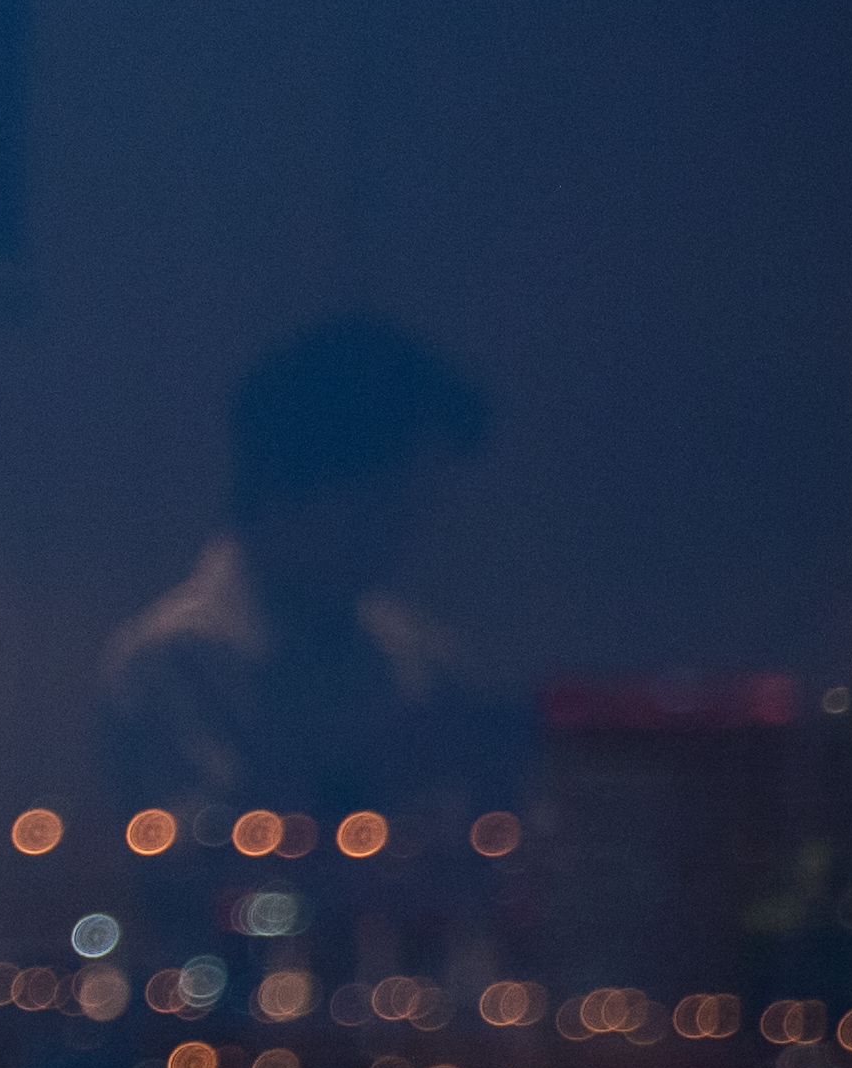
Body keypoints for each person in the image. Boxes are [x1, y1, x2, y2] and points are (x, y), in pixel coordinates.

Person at [94, 310, 532, 821]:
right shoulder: (175, 662)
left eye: (420, 505)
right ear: (288, 488)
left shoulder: (420, 659)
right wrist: (367, 781)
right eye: (386, 503)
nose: (409, 533)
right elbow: (202, 868)